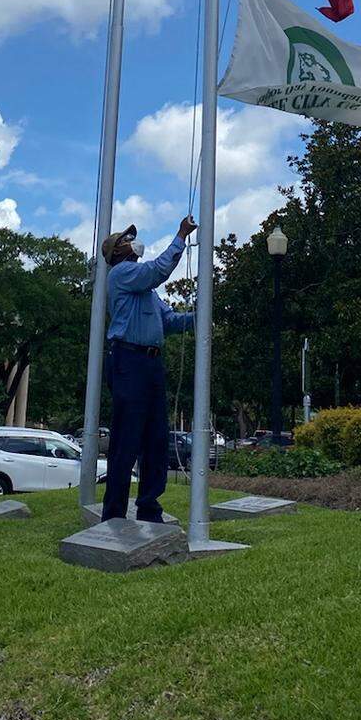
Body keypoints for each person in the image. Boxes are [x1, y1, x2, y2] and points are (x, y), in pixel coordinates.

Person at [100, 215, 197, 523]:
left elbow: (169, 321)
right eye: (127, 240)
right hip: (129, 361)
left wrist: (201, 311)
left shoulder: (147, 291)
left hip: (151, 364)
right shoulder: (122, 273)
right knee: (127, 439)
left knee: (156, 439)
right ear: (117, 252)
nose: (133, 243)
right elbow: (158, 270)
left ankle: (148, 507)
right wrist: (181, 234)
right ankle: (114, 514)